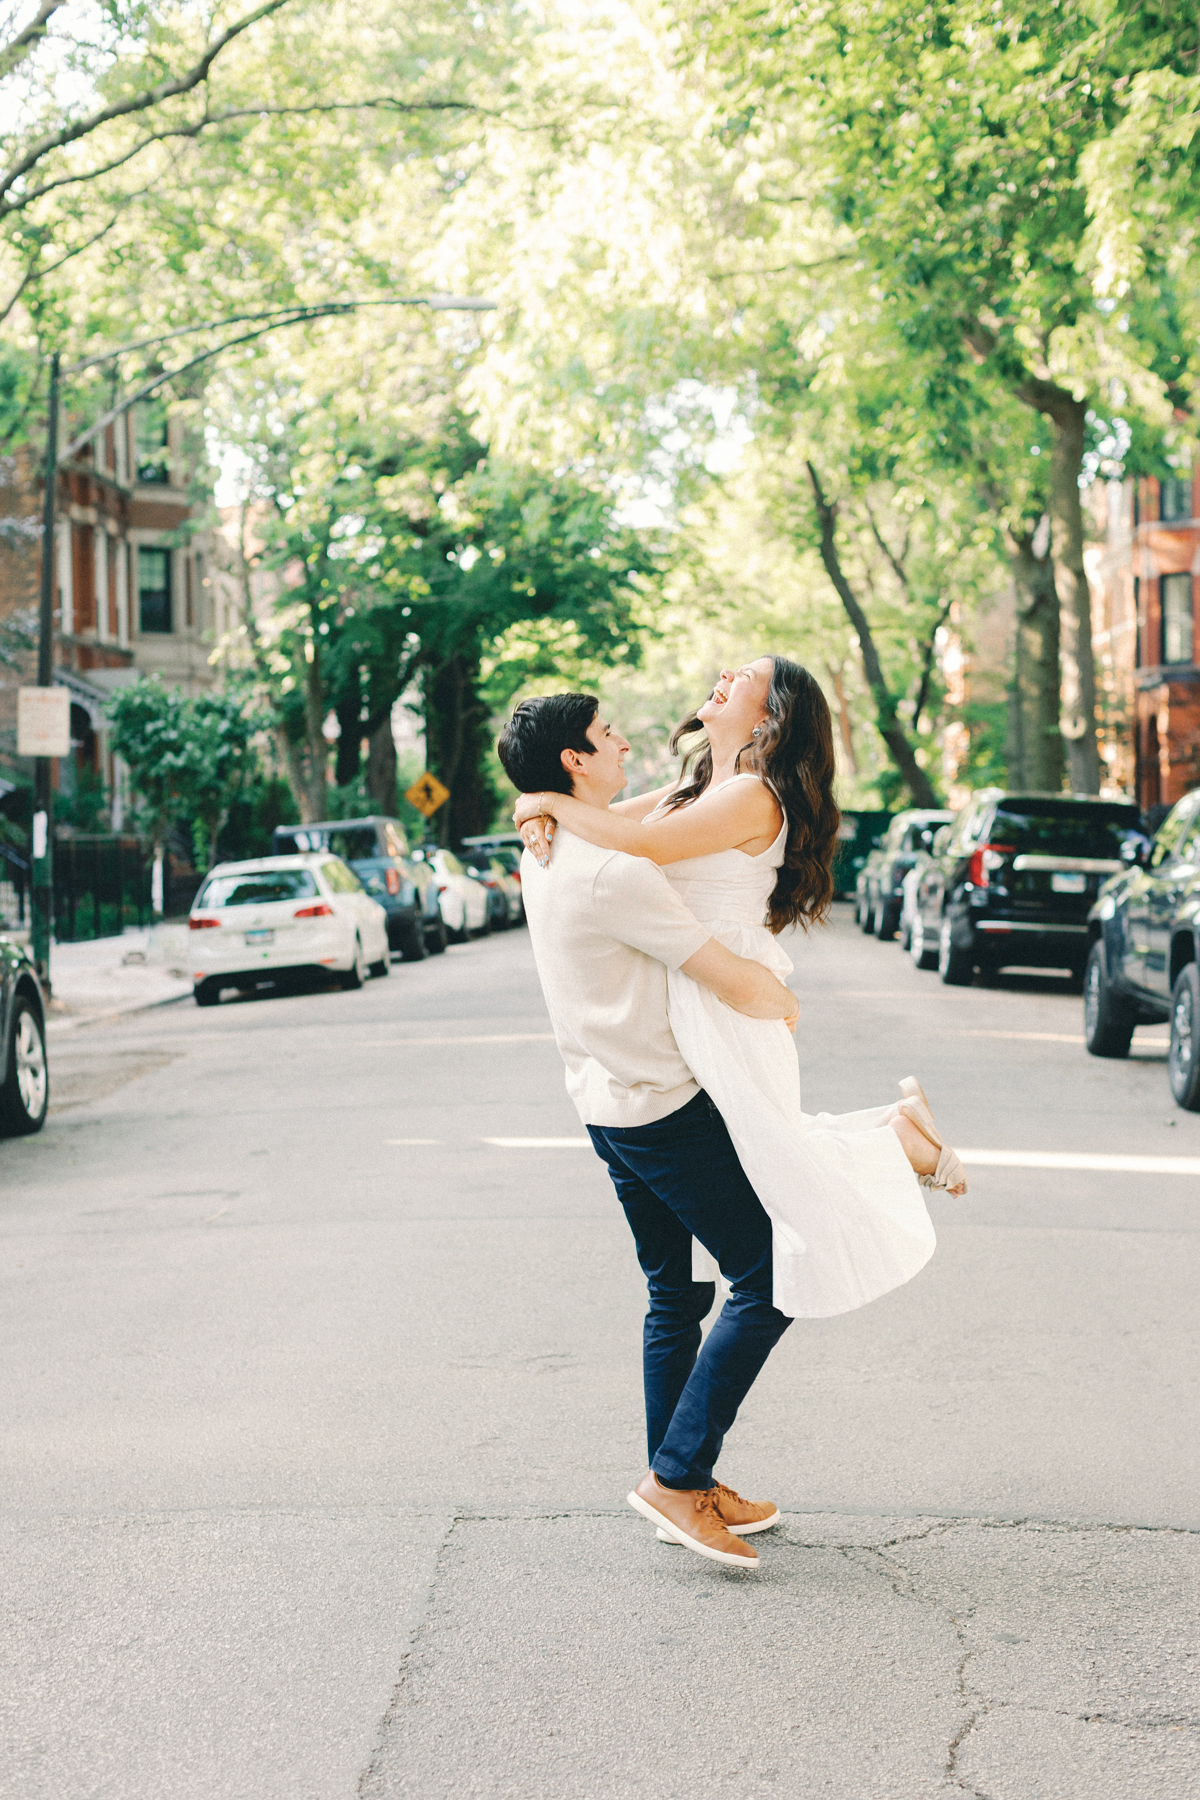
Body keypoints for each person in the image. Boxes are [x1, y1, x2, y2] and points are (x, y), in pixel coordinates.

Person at [510, 657, 966, 1338]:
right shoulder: (695, 785)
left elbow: (637, 842)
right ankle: (896, 1136)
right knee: (771, 1150)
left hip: (726, 989)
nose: (725, 672)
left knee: (777, 1161)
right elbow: (604, 822)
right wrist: (542, 808)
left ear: (769, 715)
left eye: (746, 674)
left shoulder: (754, 795)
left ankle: (902, 1144)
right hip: (690, 991)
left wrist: (546, 801)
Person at [497, 692, 803, 1571]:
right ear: (575, 762)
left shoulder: (550, 850)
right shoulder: (611, 871)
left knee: (674, 1295)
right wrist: (782, 1000)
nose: (625, 738)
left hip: (602, 1102)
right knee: (772, 1275)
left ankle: (687, 1481)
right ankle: (676, 1477)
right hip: (663, 1107)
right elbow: (724, 976)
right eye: (606, 735)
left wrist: (541, 807)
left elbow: (650, 819)